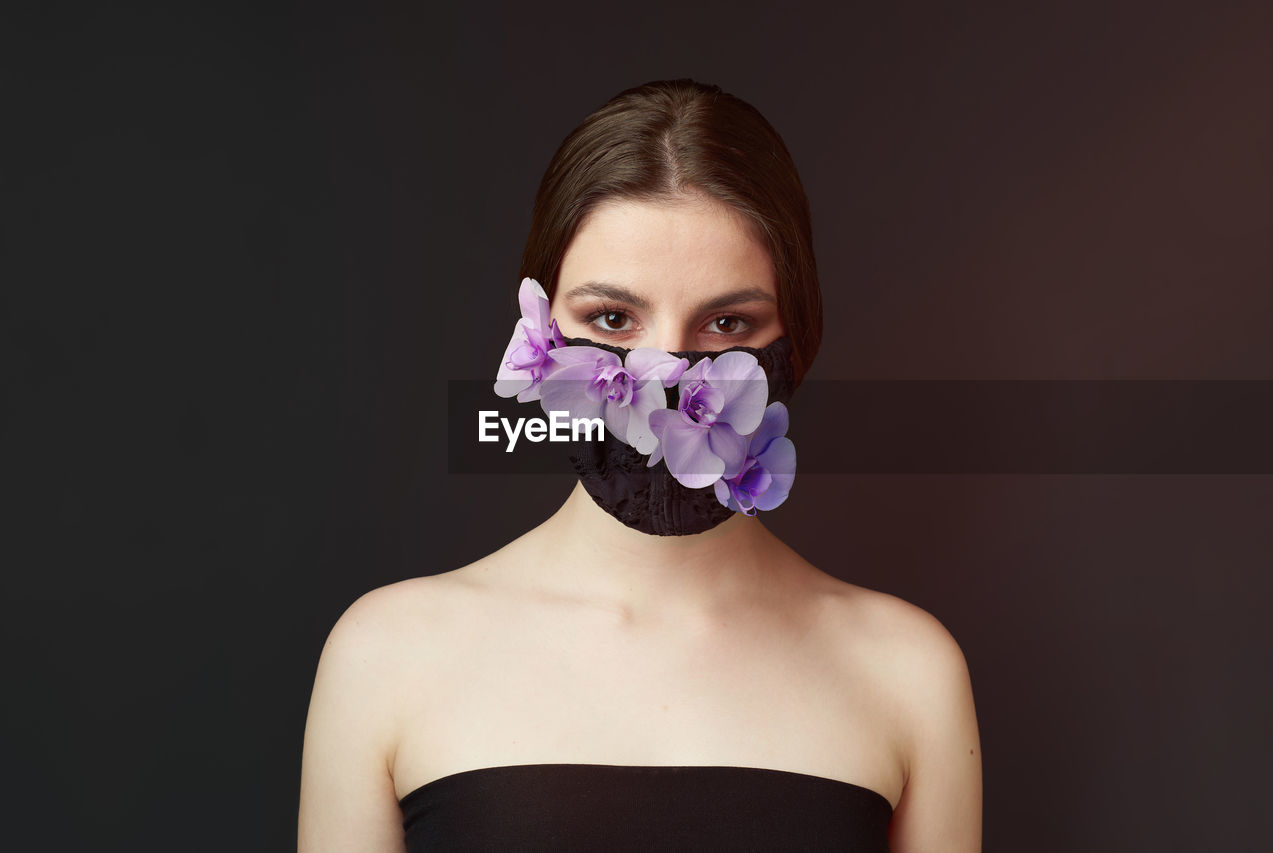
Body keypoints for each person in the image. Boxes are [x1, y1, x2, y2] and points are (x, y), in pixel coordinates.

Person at [298, 78, 982, 852]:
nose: (664, 372)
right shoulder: (386, 656)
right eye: (614, 318)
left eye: (727, 322)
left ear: (797, 335)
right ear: (540, 329)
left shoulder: (906, 672)